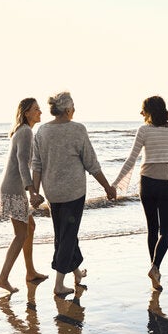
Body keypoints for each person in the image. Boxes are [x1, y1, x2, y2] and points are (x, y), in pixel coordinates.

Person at [30, 91, 116, 296]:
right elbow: (91, 163)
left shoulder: (42, 131)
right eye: (73, 107)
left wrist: (35, 192)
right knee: (67, 236)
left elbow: (37, 165)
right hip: (73, 192)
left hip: (52, 192)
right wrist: (107, 187)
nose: (75, 110)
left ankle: (77, 272)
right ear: (68, 110)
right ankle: (59, 284)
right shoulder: (77, 129)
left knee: (65, 233)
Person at [112, 95, 168, 291]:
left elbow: (131, 160)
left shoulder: (143, 130)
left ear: (150, 111)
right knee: (167, 232)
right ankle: (155, 268)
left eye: (143, 109)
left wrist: (115, 184)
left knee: (152, 229)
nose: (140, 113)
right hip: (166, 185)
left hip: (147, 184)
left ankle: (155, 271)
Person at [0, 97, 48, 293]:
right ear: (26, 113)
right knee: (21, 234)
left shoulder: (23, 131)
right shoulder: (25, 132)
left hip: (12, 187)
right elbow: (21, 163)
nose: (40, 112)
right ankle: (2, 278)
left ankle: (30, 271)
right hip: (14, 189)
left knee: (30, 227)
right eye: (36, 109)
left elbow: (25, 164)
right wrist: (32, 190)